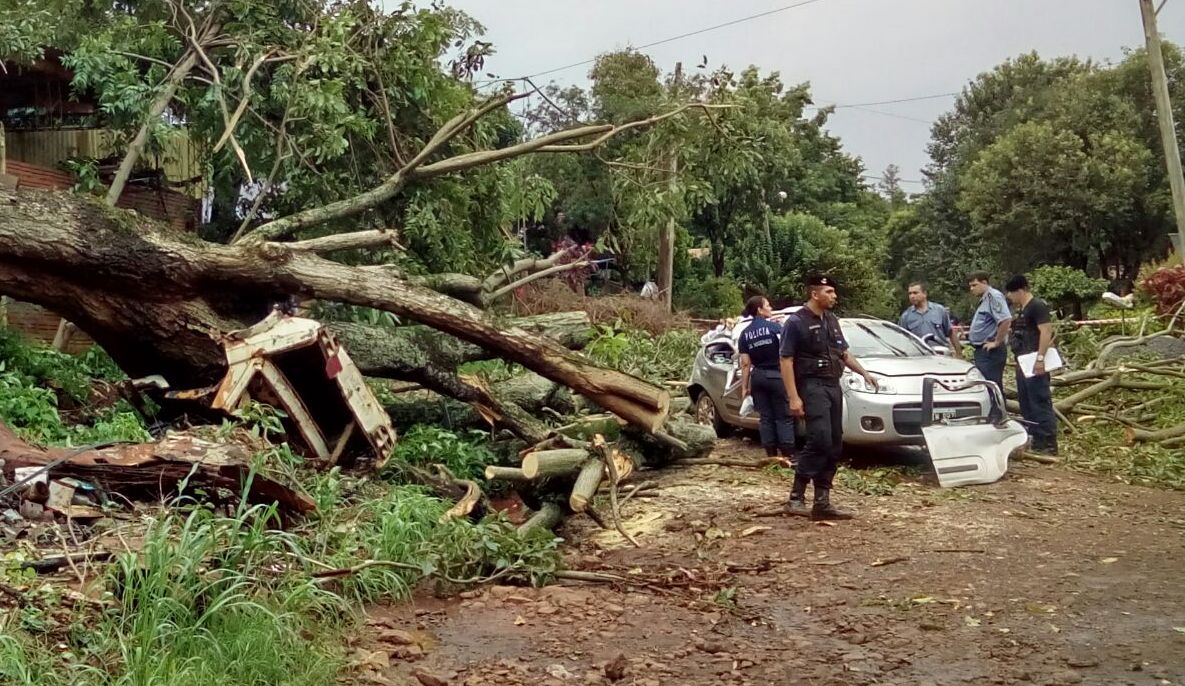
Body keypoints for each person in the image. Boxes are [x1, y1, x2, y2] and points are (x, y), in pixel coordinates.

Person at [779, 275, 878, 520]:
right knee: (819, 438)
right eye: (830, 292)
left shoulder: (831, 320)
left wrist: (865, 373)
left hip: (833, 385)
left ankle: (822, 502)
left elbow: (843, 353)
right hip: (812, 386)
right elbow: (786, 360)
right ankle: (796, 496)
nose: (834, 296)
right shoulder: (796, 322)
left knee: (834, 442)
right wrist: (793, 397)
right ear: (815, 294)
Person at [1004, 274, 1058, 455]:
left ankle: (1048, 443)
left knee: (1040, 401)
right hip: (1023, 362)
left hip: (1035, 362)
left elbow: (1046, 332)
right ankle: (1035, 439)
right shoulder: (1021, 310)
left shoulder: (1037, 306)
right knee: (1026, 402)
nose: (1010, 298)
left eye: (1011, 294)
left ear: (1020, 290)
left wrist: (1040, 358)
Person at [738, 296, 795, 461]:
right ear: (759, 310)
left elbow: (745, 364)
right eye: (768, 305)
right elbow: (786, 354)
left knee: (766, 418)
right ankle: (787, 456)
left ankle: (770, 455)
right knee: (783, 417)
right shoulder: (776, 328)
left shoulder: (745, 334)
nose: (771, 308)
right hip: (777, 376)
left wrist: (744, 387)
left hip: (758, 378)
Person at [966, 271, 1012, 392]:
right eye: (970, 286)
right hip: (982, 351)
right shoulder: (984, 300)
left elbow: (1005, 320)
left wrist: (997, 342)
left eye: (974, 285)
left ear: (984, 282)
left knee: (992, 386)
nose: (971, 289)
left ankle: (997, 411)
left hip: (991, 352)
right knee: (986, 386)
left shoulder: (993, 296)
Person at [898, 282, 961, 357]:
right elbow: (902, 340)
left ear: (924, 294)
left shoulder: (939, 310)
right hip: (919, 356)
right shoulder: (906, 316)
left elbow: (950, 332)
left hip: (941, 354)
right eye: (910, 293)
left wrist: (959, 354)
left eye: (915, 293)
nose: (912, 296)